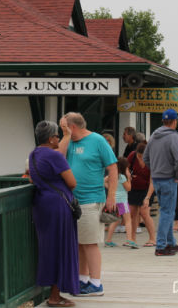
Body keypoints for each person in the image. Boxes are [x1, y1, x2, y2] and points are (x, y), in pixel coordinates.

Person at [57, 112, 117, 297]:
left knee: (90, 242)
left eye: (64, 128)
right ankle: (83, 279)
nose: (62, 131)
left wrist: (111, 196)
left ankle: (96, 283)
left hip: (91, 199)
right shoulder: (69, 141)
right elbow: (58, 158)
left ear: (73, 126)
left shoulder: (97, 141)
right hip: (73, 201)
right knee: (80, 243)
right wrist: (66, 136)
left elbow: (113, 167)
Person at [29, 120, 79, 306]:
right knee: (61, 248)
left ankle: (53, 293)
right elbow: (72, 182)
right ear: (50, 139)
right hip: (59, 205)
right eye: (57, 135)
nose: (59, 138)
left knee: (49, 248)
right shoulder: (55, 156)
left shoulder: (34, 154)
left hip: (42, 204)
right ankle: (55, 296)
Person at [143, 108, 178, 256]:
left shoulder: (154, 135)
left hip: (156, 179)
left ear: (163, 121)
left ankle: (170, 243)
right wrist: (177, 175)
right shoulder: (174, 137)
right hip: (169, 178)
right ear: (175, 122)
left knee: (165, 210)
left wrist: (155, 169)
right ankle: (160, 246)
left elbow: (145, 158)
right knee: (167, 212)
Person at [126, 142, 157, 247]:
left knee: (144, 213)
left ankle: (152, 239)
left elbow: (153, 181)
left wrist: (147, 197)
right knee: (132, 213)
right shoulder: (132, 155)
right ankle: (132, 239)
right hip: (134, 188)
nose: (140, 157)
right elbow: (125, 167)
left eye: (142, 156)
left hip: (147, 189)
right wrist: (128, 175)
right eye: (139, 155)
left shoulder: (152, 160)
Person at [104, 158, 138, 249]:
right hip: (122, 201)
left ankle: (108, 240)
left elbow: (104, 181)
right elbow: (128, 188)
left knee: (115, 220)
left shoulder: (113, 175)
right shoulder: (122, 177)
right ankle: (129, 240)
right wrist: (129, 179)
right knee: (128, 220)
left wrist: (110, 188)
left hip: (115, 200)